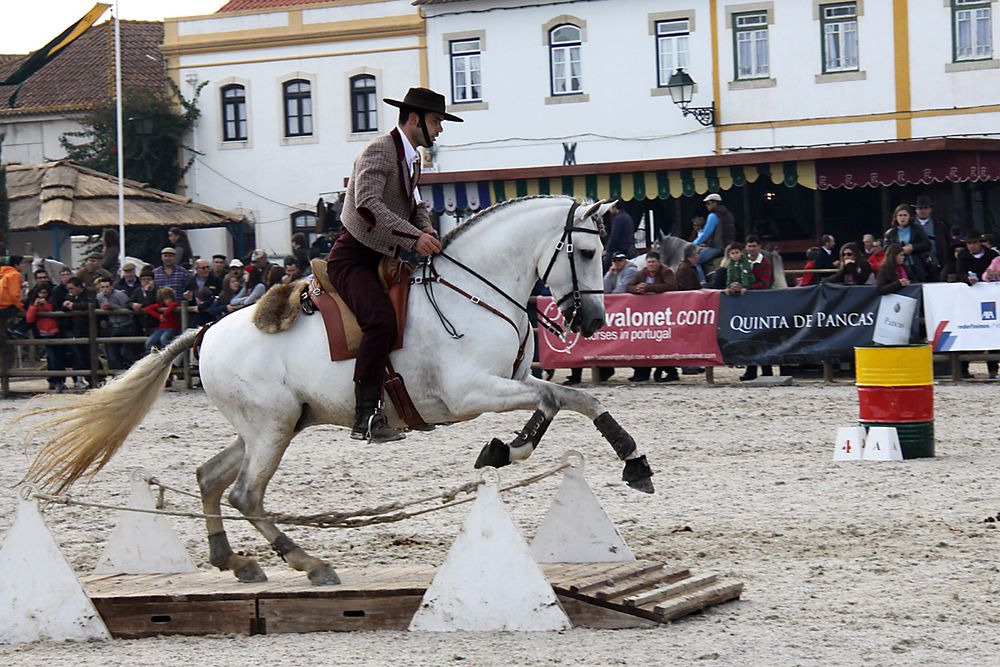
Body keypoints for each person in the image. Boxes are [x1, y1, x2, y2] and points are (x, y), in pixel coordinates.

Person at [327, 86, 459, 442]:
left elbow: (415, 205)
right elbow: (368, 205)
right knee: (381, 321)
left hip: (385, 255)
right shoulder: (379, 151)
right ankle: (365, 416)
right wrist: (414, 238)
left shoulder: (412, 157)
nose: (440, 129)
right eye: (436, 121)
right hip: (353, 257)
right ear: (414, 119)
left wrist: (426, 227)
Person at [565, 253, 637, 386]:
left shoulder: (631, 270)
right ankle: (601, 371)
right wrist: (610, 274)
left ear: (625, 260)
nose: (617, 263)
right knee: (598, 339)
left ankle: (606, 370)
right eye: (614, 260)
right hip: (607, 311)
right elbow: (604, 288)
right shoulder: (613, 272)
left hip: (621, 310)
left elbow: (618, 291)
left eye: (620, 260)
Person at [627, 252, 678, 382]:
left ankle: (671, 372)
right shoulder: (641, 273)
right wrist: (637, 289)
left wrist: (649, 287)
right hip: (645, 314)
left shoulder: (666, 272)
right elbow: (629, 286)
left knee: (663, 345)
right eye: (648, 262)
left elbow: (671, 286)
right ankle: (642, 372)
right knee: (643, 344)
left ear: (659, 262)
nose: (650, 264)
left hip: (664, 313)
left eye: (653, 262)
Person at [740, 236, 773, 381]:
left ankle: (767, 369)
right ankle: (750, 369)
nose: (751, 248)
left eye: (754, 246)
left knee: (763, 337)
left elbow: (765, 283)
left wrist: (748, 288)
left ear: (759, 246)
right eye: (749, 246)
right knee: (748, 337)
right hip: (746, 304)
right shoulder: (742, 262)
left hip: (761, 303)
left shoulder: (765, 262)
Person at [25, 284, 64, 391]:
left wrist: (46, 305)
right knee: (51, 357)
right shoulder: (34, 303)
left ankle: (58, 380)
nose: (42, 295)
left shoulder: (53, 302)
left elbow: (54, 314)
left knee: (57, 356)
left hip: (55, 332)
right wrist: (34, 307)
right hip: (44, 333)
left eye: (44, 293)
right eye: (40, 293)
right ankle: (54, 380)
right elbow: (29, 319)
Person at [60, 277, 94, 388]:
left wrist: (74, 306)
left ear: (79, 287)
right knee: (80, 356)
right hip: (76, 330)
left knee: (90, 355)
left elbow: (91, 305)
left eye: (72, 288)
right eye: (68, 289)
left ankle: (95, 379)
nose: (70, 291)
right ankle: (84, 379)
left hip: (89, 329)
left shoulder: (89, 294)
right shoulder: (70, 296)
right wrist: (66, 305)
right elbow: (63, 308)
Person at [883, 204, 930, 283]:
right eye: (900, 215)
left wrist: (913, 247)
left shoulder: (917, 229)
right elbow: (886, 249)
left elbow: (927, 244)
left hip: (916, 265)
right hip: (898, 267)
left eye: (905, 215)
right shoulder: (890, 233)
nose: (902, 218)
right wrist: (900, 250)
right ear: (896, 217)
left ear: (910, 217)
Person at [694, 193, 736, 283]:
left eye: (708, 203)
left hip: (717, 247)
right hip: (729, 245)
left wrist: (693, 244)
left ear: (715, 203)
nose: (707, 206)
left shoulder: (713, 216)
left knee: (695, 260)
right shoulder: (729, 215)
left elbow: (706, 234)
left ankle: (702, 282)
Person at [95, 276, 133, 370]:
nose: (105, 289)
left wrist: (112, 306)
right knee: (112, 352)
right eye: (102, 287)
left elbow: (128, 308)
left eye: (107, 286)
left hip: (125, 325)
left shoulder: (120, 295)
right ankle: (116, 371)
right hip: (111, 326)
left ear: (111, 286)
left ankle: (128, 368)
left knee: (125, 352)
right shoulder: (99, 297)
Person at [913, 195, 951, 282]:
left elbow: (946, 244)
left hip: (936, 264)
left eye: (925, 208)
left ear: (930, 209)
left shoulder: (940, 224)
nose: (923, 210)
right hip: (916, 266)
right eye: (920, 208)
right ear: (916, 210)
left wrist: (945, 264)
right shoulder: (910, 224)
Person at [143, 287, 181, 352]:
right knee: (149, 342)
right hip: (162, 328)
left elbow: (172, 305)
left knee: (163, 339)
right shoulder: (160, 305)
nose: (168, 301)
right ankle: (153, 357)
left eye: (169, 298)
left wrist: (164, 316)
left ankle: (169, 354)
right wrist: (159, 316)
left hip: (172, 328)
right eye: (165, 299)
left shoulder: (175, 304)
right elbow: (148, 308)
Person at [604, 202, 635, 269]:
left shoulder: (618, 219)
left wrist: (607, 249)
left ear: (614, 207)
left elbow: (614, 236)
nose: (609, 210)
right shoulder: (627, 216)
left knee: (605, 266)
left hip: (620, 248)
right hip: (629, 248)